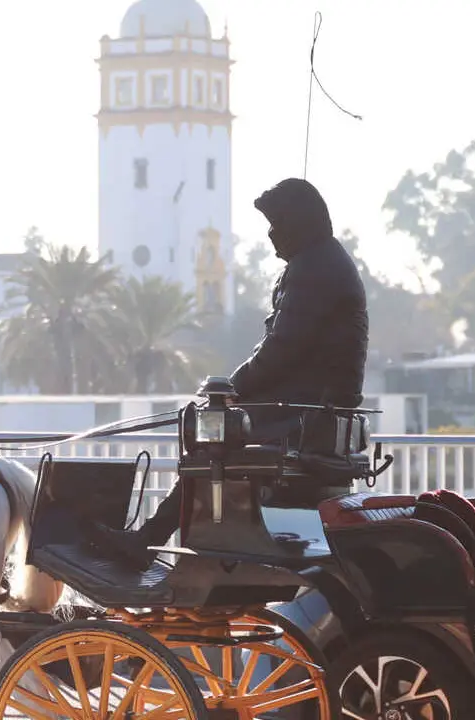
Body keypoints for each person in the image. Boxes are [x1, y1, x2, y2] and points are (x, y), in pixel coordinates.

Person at [92, 177, 369, 568]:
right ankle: (152, 537)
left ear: (299, 223)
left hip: (305, 419)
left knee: (209, 442)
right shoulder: (319, 262)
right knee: (212, 429)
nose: (271, 236)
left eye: (277, 225)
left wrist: (227, 391)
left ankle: (150, 540)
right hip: (311, 413)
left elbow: (279, 350)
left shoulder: (314, 270)